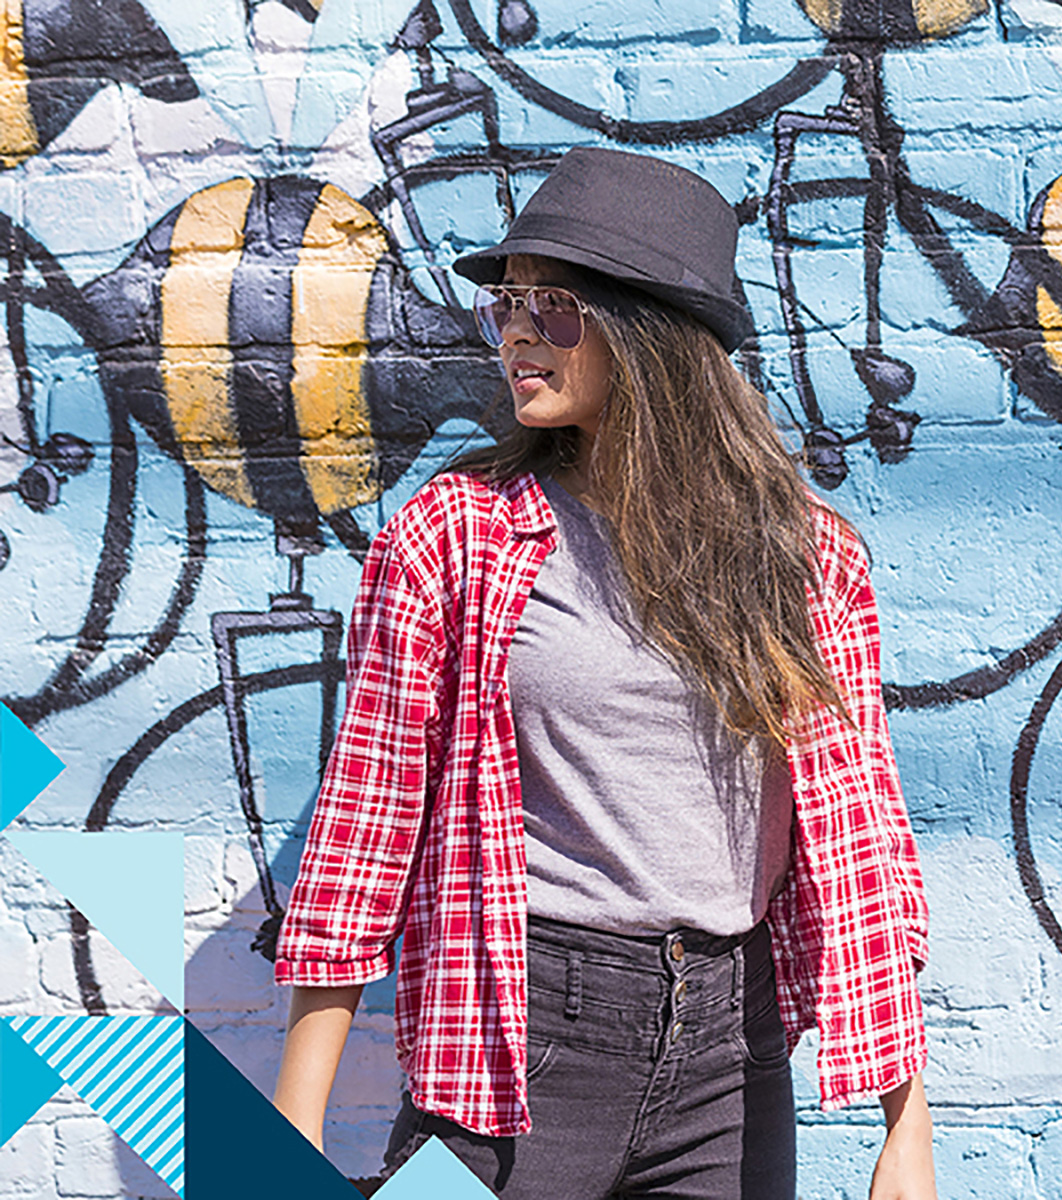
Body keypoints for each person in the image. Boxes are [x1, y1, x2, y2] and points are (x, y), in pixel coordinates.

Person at [272, 146, 935, 1199]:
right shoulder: (458, 538)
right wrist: (291, 1128)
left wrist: (909, 1129)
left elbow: (862, 840)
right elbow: (366, 827)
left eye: (556, 303)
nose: (519, 330)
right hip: (518, 1034)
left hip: (731, 1051)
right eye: (507, 304)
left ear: (650, 333)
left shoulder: (806, 559)